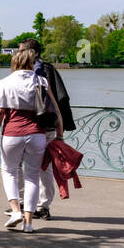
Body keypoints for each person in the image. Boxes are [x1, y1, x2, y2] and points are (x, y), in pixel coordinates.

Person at [0, 47, 62, 233]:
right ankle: (28, 223)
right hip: (37, 134)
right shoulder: (42, 81)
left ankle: (15, 210)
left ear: (14, 62)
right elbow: (55, 109)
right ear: (31, 63)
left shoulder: (4, 82)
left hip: (12, 134)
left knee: (9, 172)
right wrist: (59, 135)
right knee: (32, 177)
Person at [21, 39, 77, 220]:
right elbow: (62, 99)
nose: (18, 54)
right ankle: (42, 206)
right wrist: (61, 127)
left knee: (24, 166)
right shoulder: (48, 70)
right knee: (45, 167)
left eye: (21, 50)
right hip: (47, 125)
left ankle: (25, 203)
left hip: (25, 126)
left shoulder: (22, 72)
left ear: (32, 52)